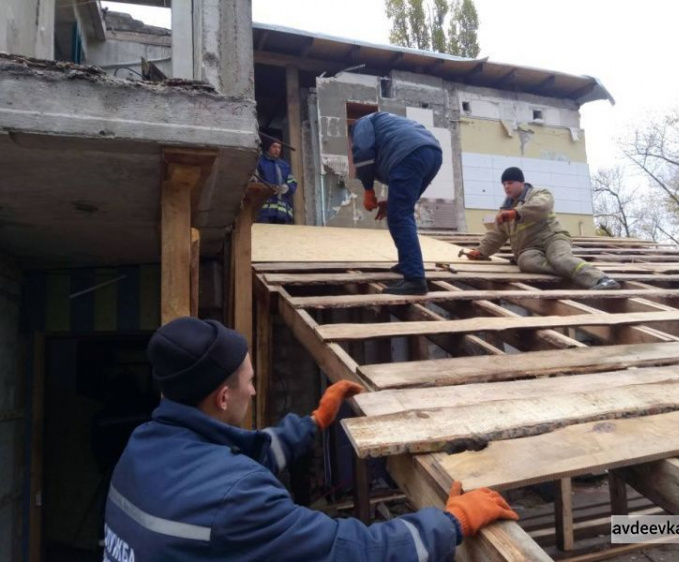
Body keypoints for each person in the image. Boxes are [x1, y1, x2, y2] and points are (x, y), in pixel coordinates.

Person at [103, 317, 518, 561]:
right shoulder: (236, 499)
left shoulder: (142, 448)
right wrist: (450, 522)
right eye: (250, 382)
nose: (252, 390)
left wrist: (315, 421)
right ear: (223, 396)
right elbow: (357, 551)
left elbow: (240, 462)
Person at [464, 167, 621, 290]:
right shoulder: (505, 210)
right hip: (530, 248)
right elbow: (496, 234)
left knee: (559, 258)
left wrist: (516, 213)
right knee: (524, 262)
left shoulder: (538, 194)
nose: (507, 187)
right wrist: (481, 251)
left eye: (510, 182)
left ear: (521, 183)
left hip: (553, 238)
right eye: (504, 184)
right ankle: (568, 271)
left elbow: (542, 206)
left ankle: (602, 279)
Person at [351, 112, 443, 295]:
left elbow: (363, 152)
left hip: (409, 154)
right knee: (399, 211)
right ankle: (407, 263)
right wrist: (392, 202)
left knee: (400, 216)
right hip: (433, 153)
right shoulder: (387, 122)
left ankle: (415, 280)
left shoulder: (361, 123)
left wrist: (368, 189)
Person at [257, 139, 297, 224]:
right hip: (265, 211)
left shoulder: (285, 165)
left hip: (283, 213)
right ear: (268, 147)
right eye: (274, 146)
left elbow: (292, 182)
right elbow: (254, 182)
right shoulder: (260, 162)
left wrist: (287, 188)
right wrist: (267, 188)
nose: (277, 150)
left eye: (279, 147)